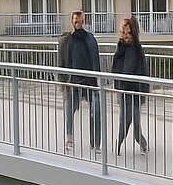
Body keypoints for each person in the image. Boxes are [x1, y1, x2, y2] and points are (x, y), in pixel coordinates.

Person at [57, 10, 103, 154]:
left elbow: (96, 58)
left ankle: (95, 144)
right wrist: (62, 81)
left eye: (80, 21)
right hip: (73, 83)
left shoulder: (90, 38)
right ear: (72, 21)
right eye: (76, 21)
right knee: (69, 111)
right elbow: (61, 61)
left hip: (90, 82)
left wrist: (98, 79)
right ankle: (69, 138)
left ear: (84, 21)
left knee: (96, 111)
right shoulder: (66, 40)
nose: (78, 23)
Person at [111, 15, 150, 155]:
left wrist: (144, 88)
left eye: (128, 32)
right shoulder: (121, 48)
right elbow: (116, 67)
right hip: (124, 90)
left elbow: (137, 69)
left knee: (135, 122)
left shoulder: (136, 49)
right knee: (124, 120)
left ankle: (142, 144)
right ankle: (119, 145)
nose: (126, 35)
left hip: (135, 90)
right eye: (123, 32)